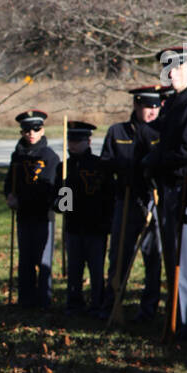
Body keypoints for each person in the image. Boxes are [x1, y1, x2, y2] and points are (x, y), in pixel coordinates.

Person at [144, 43, 187, 337]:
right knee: (172, 258)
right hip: (169, 188)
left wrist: (155, 160)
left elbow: (186, 150)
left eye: (178, 68)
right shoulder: (174, 105)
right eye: (168, 69)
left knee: (185, 263)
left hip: (185, 190)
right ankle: (175, 319)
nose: (172, 74)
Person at [99, 87, 162, 320]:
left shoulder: (161, 133)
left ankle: (149, 309)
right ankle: (112, 304)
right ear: (136, 106)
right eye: (148, 107)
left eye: (156, 107)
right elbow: (106, 163)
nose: (152, 112)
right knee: (119, 256)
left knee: (153, 257)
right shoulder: (118, 131)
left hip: (152, 200)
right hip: (124, 200)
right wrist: (119, 170)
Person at [4, 109, 62, 308]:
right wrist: (9, 196)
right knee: (26, 259)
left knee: (43, 261)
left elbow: (51, 188)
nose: (31, 133)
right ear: (21, 132)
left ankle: (44, 301)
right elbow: (8, 183)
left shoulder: (50, 157)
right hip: (23, 216)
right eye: (27, 129)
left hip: (43, 216)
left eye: (36, 129)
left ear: (42, 130)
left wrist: (28, 201)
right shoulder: (17, 156)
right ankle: (25, 300)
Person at [60, 121, 113, 314]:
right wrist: (62, 198)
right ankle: (74, 301)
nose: (73, 145)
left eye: (78, 141)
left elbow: (109, 196)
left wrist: (107, 222)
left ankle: (97, 302)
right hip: (74, 226)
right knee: (74, 267)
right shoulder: (63, 167)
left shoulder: (100, 166)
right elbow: (59, 205)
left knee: (96, 268)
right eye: (70, 141)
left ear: (88, 141)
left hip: (95, 226)